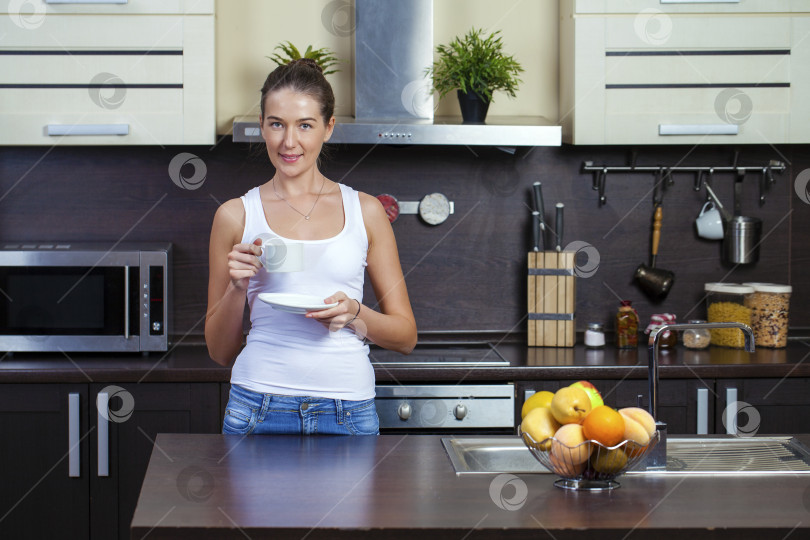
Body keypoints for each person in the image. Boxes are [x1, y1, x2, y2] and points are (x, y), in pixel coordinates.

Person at [205, 59, 417, 436]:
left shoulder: (366, 212)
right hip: (257, 404)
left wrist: (354, 315)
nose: (289, 142)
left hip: (348, 408)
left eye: (305, 125)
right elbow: (221, 353)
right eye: (277, 124)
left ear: (328, 128)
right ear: (262, 125)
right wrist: (237, 287)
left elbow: (405, 337)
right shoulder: (234, 216)